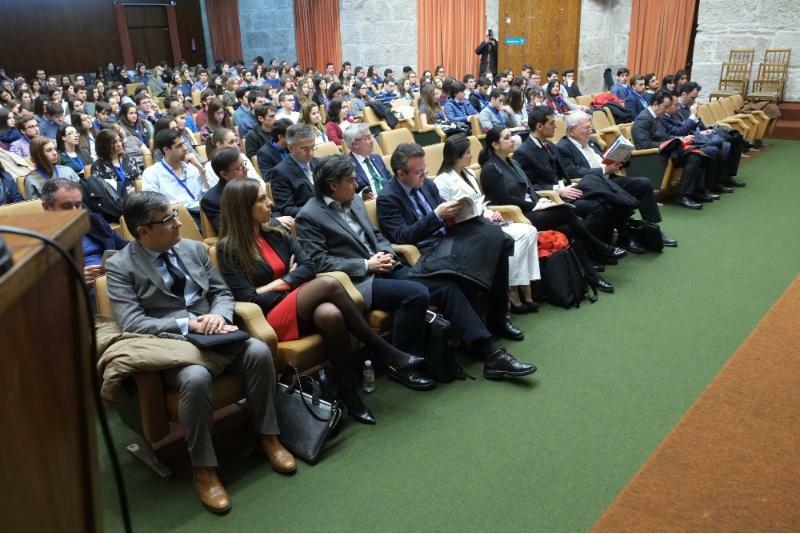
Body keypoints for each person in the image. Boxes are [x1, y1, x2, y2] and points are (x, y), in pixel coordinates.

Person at [105, 190, 293, 514]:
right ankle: (204, 470)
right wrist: (188, 324)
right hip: (172, 344)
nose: (179, 223)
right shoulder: (121, 267)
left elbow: (221, 292)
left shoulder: (193, 248)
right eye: (168, 220)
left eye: (176, 215)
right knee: (195, 378)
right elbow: (133, 322)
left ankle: (268, 436)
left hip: (217, 333)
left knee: (259, 352)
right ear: (143, 232)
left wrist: (218, 317)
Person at [217, 177, 422, 424]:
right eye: (261, 199)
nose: (270, 203)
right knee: (328, 283)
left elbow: (310, 265)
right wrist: (290, 280)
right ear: (243, 206)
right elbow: (251, 298)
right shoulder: (228, 249)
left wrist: (278, 282)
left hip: (301, 302)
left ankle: (350, 396)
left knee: (330, 315)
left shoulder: (275, 232)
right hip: (271, 318)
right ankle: (380, 348)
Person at [375, 143, 538, 379]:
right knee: (453, 283)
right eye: (419, 173)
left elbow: (446, 218)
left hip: (449, 242)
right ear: (401, 174)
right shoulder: (387, 198)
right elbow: (401, 237)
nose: (425, 176)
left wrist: (463, 213)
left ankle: (497, 318)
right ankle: (489, 352)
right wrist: (435, 216)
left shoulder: (428, 185)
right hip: (425, 254)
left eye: (425, 170)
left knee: (498, 240)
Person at [479, 126, 616, 293]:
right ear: (495, 145)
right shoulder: (490, 169)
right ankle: (600, 248)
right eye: (507, 137)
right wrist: (536, 205)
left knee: (567, 228)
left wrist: (542, 200)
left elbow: (529, 190)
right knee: (566, 212)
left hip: (532, 209)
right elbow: (504, 200)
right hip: (519, 216)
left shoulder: (512, 162)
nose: (513, 140)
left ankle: (592, 276)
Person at [434, 134, 541, 312]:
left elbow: (479, 202)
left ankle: (526, 286)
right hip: (465, 229)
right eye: (467, 153)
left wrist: (492, 214)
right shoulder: (442, 181)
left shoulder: (468, 173)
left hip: (483, 221)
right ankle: (512, 289)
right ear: (456, 156)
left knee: (529, 230)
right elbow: (448, 215)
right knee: (518, 237)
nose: (471, 156)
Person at [513, 107, 628, 262]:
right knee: (596, 207)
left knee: (606, 200)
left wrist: (569, 186)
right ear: (540, 126)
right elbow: (530, 186)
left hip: (569, 189)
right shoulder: (523, 152)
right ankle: (595, 250)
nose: (556, 126)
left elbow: (564, 175)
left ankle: (601, 248)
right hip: (551, 198)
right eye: (552, 123)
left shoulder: (550, 145)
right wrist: (558, 191)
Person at [556, 111, 678, 249]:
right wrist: (604, 170)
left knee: (643, 184)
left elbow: (603, 159)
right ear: (571, 131)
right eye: (586, 128)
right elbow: (573, 172)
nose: (590, 131)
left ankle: (652, 227)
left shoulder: (591, 141)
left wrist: (621, 158)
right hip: (592, 186)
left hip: (609, 179)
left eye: (591, 127)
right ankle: (626, 235)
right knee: (617, 197)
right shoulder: (562, 147)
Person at [41, 178, 128, 303]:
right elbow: (41, 284)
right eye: (66, 206)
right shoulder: (40, 238)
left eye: (78, 205)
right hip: (77, 294)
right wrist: (72, 278)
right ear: (47, 207)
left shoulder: (94, 220)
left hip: (114, 277)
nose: (76, 211)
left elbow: (124, 247)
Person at [631, 90, 708, 210]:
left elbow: (666, 135)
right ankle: (683, 196)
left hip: (667, 151)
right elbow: (644, 145)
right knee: (694, 156)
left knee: (697, 155)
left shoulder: (657, 117)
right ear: (656, 103)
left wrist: (679, 139)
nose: (667, 110)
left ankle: (692, 192)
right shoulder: (643, 119)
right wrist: (668, 143)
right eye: (665, 107)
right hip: (653, 157)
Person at [141, 128, 208, 215]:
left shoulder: (193, 167)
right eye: (179, 146)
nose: (185, 148)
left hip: (202, 212)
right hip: (177, 217)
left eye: (184, 143)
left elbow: (207, 194)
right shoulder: (152, 174)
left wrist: (201, 169)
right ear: (166, 150)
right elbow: (152, 205)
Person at [82, 128, 139, 223]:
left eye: (119, 140)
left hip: (135, 199)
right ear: (104, 146)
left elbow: (138, 178)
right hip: (115, 205)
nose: (119, 144)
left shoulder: (128, 159)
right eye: (114, 142)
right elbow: (102, 192)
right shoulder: (97, 166)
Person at [268, 124, 318, 216]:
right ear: (290, 147)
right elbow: (287, 209)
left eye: (313, 147)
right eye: (305, 149)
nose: (311, 153)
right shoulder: (280, 172)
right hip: (309, 220)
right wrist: (317, 212)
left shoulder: (318, 162)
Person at [343, 123, 392, 201]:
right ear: (355, 144)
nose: (373, 141)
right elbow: (345, 195)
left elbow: (390, 179)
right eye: (367, 138)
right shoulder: (346, 166)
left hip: (391, 198)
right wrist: (360, 196)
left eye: (371, 136)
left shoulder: (377, 157)